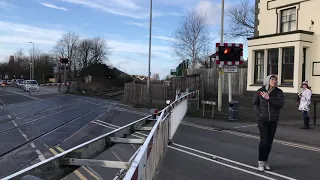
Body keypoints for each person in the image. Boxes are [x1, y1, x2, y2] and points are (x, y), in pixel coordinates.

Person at [252, 74, 284, 172]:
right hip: (263, 120)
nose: (274, 81)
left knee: (269, 143)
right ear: (267, 80)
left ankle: (265, 161)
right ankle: (260, 162)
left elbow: (280, 104)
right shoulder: (260, 91)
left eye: (275, 79)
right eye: (272, 79)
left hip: (273, 121)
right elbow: (254, 103)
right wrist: (260, 114)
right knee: (264, 141)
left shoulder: (279, 92)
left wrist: (268, 98)